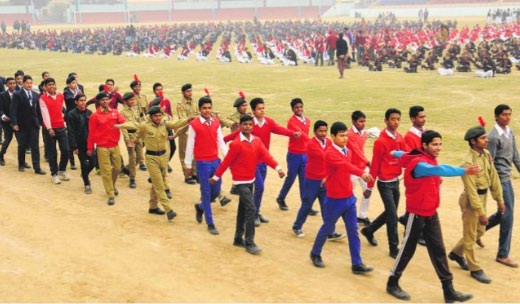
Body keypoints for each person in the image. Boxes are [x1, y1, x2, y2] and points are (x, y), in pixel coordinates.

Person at [385, 130, 476, 303]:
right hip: (416, 214)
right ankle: (392, 282)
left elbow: (403, 154)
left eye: (440, 144)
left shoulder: (420, 156)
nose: (438, 148)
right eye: (434, 144)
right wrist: (464, 171)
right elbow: (439, 169)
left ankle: (448, 291)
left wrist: (393, 152)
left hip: (430, 213)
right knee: (407, 250)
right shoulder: (420, 164)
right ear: (424, 145)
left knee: (438, 250)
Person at [211, 115, 285, 254]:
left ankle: (238, 238)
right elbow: (226, 162)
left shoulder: (257, 141)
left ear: (252, 126)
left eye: (250, 124)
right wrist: (216, 177)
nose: (247, 126)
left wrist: (278, 168)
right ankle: (249, 242)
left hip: (250, 180)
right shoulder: (236, 144)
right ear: (240, 126)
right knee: (251, 209)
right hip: (240, 182)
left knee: (243, 210)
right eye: (244, 124)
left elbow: (266, 156)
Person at [309, 121, 374, 275]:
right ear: (333, 137)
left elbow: (347, 168)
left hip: (348, 198)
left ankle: (357, 263)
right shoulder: (330, 153)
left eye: (346, 135)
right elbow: (346, 167)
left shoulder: (348, 152)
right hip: (334, 199)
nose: (345, 138)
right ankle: (315, 252)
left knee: (353, 231)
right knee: (327, 227)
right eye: (341, 135)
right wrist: (362, 173)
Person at [224, 97, 299, 226]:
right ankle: (253, 214)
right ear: (253, 110)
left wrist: (293, 134)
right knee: (260, 187)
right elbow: (236, 134)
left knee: (258, 188)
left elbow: (280, 129)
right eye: (259, 109)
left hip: (263, 161)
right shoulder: (249, 124)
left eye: (263, 108)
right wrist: (222, 140)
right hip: (252, 162)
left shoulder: (268, 122)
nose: (262, 111)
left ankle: (256, 212)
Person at [449, 125, 505, 284]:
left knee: (479, 231)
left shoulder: (486, 154)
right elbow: (472, 190)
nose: (487, 140)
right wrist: (481, 212)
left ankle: (456, 253)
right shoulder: (467, 163)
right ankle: (475, 268)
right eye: (483, 138)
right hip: (471, 202)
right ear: (473, 141)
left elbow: (493, 177)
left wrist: (499, 199)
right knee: (470, 234)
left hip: (483, 197)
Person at [117, 105, 189, 221]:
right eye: (155, 116)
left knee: (157, 181)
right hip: (151, 158)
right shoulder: (145, 125)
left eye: (160, 115)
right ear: (151, 117)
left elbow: (176, 124)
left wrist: (189, 120)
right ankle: (168, 209)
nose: (158, 118)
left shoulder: (165, 124)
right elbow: (133, 124)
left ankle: (153, 206)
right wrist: (120, 125)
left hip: (164, 157)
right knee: (159, 184)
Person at [361, 108, 407, 259]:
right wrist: (369, 187)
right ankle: (393, 247)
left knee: (390, 212)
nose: (396, 122)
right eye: (393, 119)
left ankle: (369, 230)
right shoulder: (380, 142)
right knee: (393, 215)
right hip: (385, 183)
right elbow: (375, 165)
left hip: (395, 182)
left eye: (398, 119)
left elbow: (406, 156)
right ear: (386, 121)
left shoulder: (400, 138)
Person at [292, 120, 344, 241]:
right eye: (320, 131)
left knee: (326, 206)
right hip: (312, 180)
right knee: (307, 204)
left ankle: (330, 231)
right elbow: (325, 155)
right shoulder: (311, 144)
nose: (323, 133)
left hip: (324, 180)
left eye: (325, 131)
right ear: (315, 132)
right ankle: (297, 226)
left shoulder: (329, 142)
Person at [185, 96, 228, 235]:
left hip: (216, 161)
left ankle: (201, 206)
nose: (207, 110)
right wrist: (188, 164)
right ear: (199, 109)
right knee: (206, 192)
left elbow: (220, 141)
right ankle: (210, 223)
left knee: (216, 191)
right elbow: (190, 144)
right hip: (202, 163)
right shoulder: (194, 124)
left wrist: (228, 158)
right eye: (204, 108)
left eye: (209, 108)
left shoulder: (216, 122)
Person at [486, 104, 520, 268]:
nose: (507, 117)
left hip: (507, 177)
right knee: (508, 214)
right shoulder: (492, 137)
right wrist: (491, 184)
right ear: (496, 117)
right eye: (504, 115)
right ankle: (502, 254)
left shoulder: (510, 131)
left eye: (509, 114)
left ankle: (478, 228)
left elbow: (515, 154)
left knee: (503, 213)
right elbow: (489, 162)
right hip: (500, 179)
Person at [87, 91, 126, 206]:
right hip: (102, 147)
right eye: (103, 100)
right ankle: (110, 194)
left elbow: (123, 122)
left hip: (114, 145)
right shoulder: (94, 116)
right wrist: (90, 148)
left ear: (109, 100)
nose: (105, 101)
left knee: (117, 168)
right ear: (99, 102)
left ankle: (112, 186)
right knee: (106, 171)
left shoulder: (115, 112)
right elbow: (91, 133)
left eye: (107, 99)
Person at [276, 98, 310, 212]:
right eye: (296, 107)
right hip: (294, 155)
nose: (299, 109)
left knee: (304, 180)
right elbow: (302, 135)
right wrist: (312, 143)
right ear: (292, 109)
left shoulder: (307, 120)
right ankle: (281, 198)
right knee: (291, 178)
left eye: (300, 107)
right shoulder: (292, 122)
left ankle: (305, 205)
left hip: (304, 154)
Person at [10, 75, 46, 175]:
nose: (29, 85)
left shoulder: (35, 95)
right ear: (23, 83)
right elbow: (13, 110)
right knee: (22, 145)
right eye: (27, 83)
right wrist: (14, 123)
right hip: (21, 125)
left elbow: (38, 110)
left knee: (35, 146)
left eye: (31, 83)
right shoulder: (17, 95)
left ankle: (37, 167)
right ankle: (21, 164)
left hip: (34, 124)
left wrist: (39, 121)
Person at [39, 78, 70, 184]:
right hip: (50, 129)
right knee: (52, 152)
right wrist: (49, 128)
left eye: (53, 84)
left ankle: (62, 170)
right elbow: (45, 114)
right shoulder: (42, 98)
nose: (51, 86)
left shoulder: (61, 96)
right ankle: (54, 174)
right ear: (45, 87)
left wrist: (63, 121)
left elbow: (61, 109)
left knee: (65, 150)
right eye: (49, 85)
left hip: (61, 127)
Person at [347, 110, 372, 226]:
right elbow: (356, 151)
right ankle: (349, 217)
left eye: (364, 121)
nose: (363, 123)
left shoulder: (364, 133)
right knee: (348, 195)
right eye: (361, 121)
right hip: (351, 169)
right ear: (354, 122)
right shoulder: (350, 135)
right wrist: (367, 162)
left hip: (362, 169)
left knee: (368, 191)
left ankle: (362, 216)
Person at [66, 94, 95, 194]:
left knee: (93, 162)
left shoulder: (89, 113)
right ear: (76, 102)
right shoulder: (71, 114)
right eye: (81, 101)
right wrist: (74, 146)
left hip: (89, 143)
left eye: (84, 100)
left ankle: (84, 174)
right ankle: (87, 184)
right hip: (79, 144)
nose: (83, 103)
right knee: (83, 163)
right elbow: (71, 131)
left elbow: (93, 128)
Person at [120, 92, 145, 189]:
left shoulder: (136, 110)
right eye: (130, 100)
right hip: (129, 136)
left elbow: (141, 121)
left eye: (133, 99)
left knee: (140, 157)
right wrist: (128, 140)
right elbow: (123, 127)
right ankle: (132, 178)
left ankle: (126, 169)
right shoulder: (122, 113)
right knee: (132, 157)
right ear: (126, 102)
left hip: (137, 135)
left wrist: (140, 136)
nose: (132, 101)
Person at [177, 83, 199, 184]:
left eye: (191, 91)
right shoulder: (180, 105)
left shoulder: (194, 102)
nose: (190, 93)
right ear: (183, 93)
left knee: (195, 152)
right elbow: (183, 119)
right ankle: (187, 175)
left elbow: (198, 113)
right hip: (184, 131)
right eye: (187, 91)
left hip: (194, 130)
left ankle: (194, 172)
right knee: (185, 153)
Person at [129, 75, 147, 171]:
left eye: (139, 86)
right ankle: (141, 162)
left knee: (143, 142)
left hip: (143, 122)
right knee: (138, 142)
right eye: (136, 87)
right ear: (132, 88)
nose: (138, 88)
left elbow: (146, 110)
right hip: (135, 123)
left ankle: (137, 161)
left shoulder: (144, 97)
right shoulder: (130, 98)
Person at [0, 77, 16, 166]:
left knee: (22, 142)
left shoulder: (18, 94)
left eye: (14, 83)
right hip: (7, 121)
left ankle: (22, 161)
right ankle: (1, 155)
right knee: (8, 139)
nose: (12, 85)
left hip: (17, 122)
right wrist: (3, 116)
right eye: (10, 83)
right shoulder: (2, 95)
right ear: (6, 85)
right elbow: (0, 108)